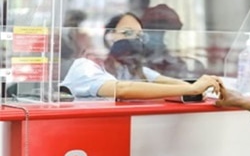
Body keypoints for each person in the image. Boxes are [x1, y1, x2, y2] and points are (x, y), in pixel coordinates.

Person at [61, 12, 219, 100]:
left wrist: (202, 88)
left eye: (139, 36)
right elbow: (121, 89)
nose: (134, 40)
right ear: (108, 36)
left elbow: (167, 83)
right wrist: (192, 89)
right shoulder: (85, 66)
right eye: (127, 33)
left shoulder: (132, 69)